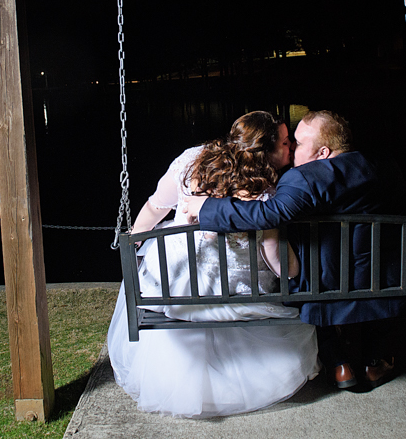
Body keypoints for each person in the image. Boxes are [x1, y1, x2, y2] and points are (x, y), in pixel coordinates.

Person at [184, 110, 406, 391]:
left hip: (325, 286)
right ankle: (374, 360)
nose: (292, 147)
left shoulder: (306, 178)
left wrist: (207, 208)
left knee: (308, 262)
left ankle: (338, 363)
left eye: (298, 142)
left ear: (322, 152)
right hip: (388, 281)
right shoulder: (381, 166)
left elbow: (268, 213)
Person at [106, 111, 319, 417]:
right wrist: (293, 270)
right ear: (266, 150)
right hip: (235, 291)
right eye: (286, 143)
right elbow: (278, 261)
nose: (290, 148)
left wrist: (134, 242)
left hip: (173, 285)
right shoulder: (266, 194)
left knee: (167, 268)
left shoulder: (193, 160)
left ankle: (186, 381)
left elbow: (155, 206)